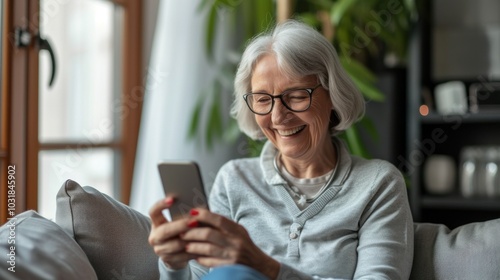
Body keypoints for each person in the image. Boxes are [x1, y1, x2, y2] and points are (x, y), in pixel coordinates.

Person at [148, 20, 414, 280]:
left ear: (332, 95)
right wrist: (174, 264)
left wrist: (267, 268)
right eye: (263, 100)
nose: (277, 117)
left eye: (296, 96)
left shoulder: (378, 184)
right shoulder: (233, 180)